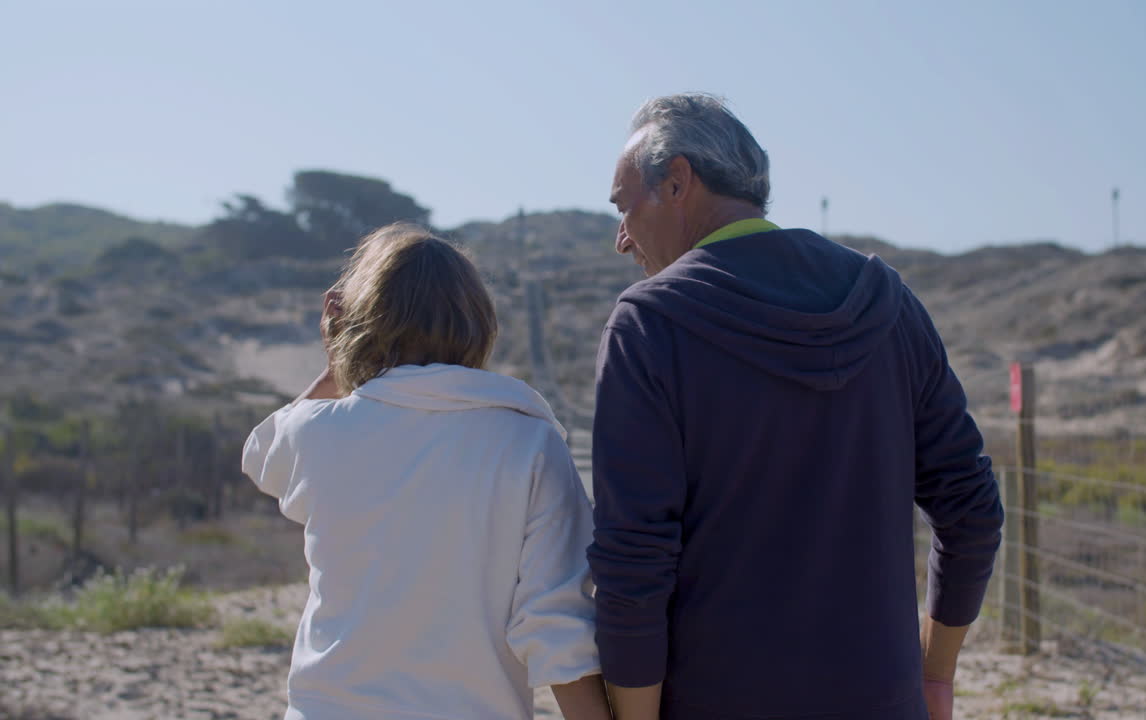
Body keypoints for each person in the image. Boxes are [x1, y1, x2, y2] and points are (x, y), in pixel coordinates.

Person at [588, 94, 1004, 720]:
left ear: (677, 181)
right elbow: (971, 509)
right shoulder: (885, 301)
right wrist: (933, 678)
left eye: (625, 206)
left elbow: (633, 566)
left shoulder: (649, 324)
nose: (622, 239)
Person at [241, 223, 611, 720]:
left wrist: (334, 363)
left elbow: (261, 457)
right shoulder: (530, 442)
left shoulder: (318, 433)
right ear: (478, 323)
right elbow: (554, 623)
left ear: (357, 321)